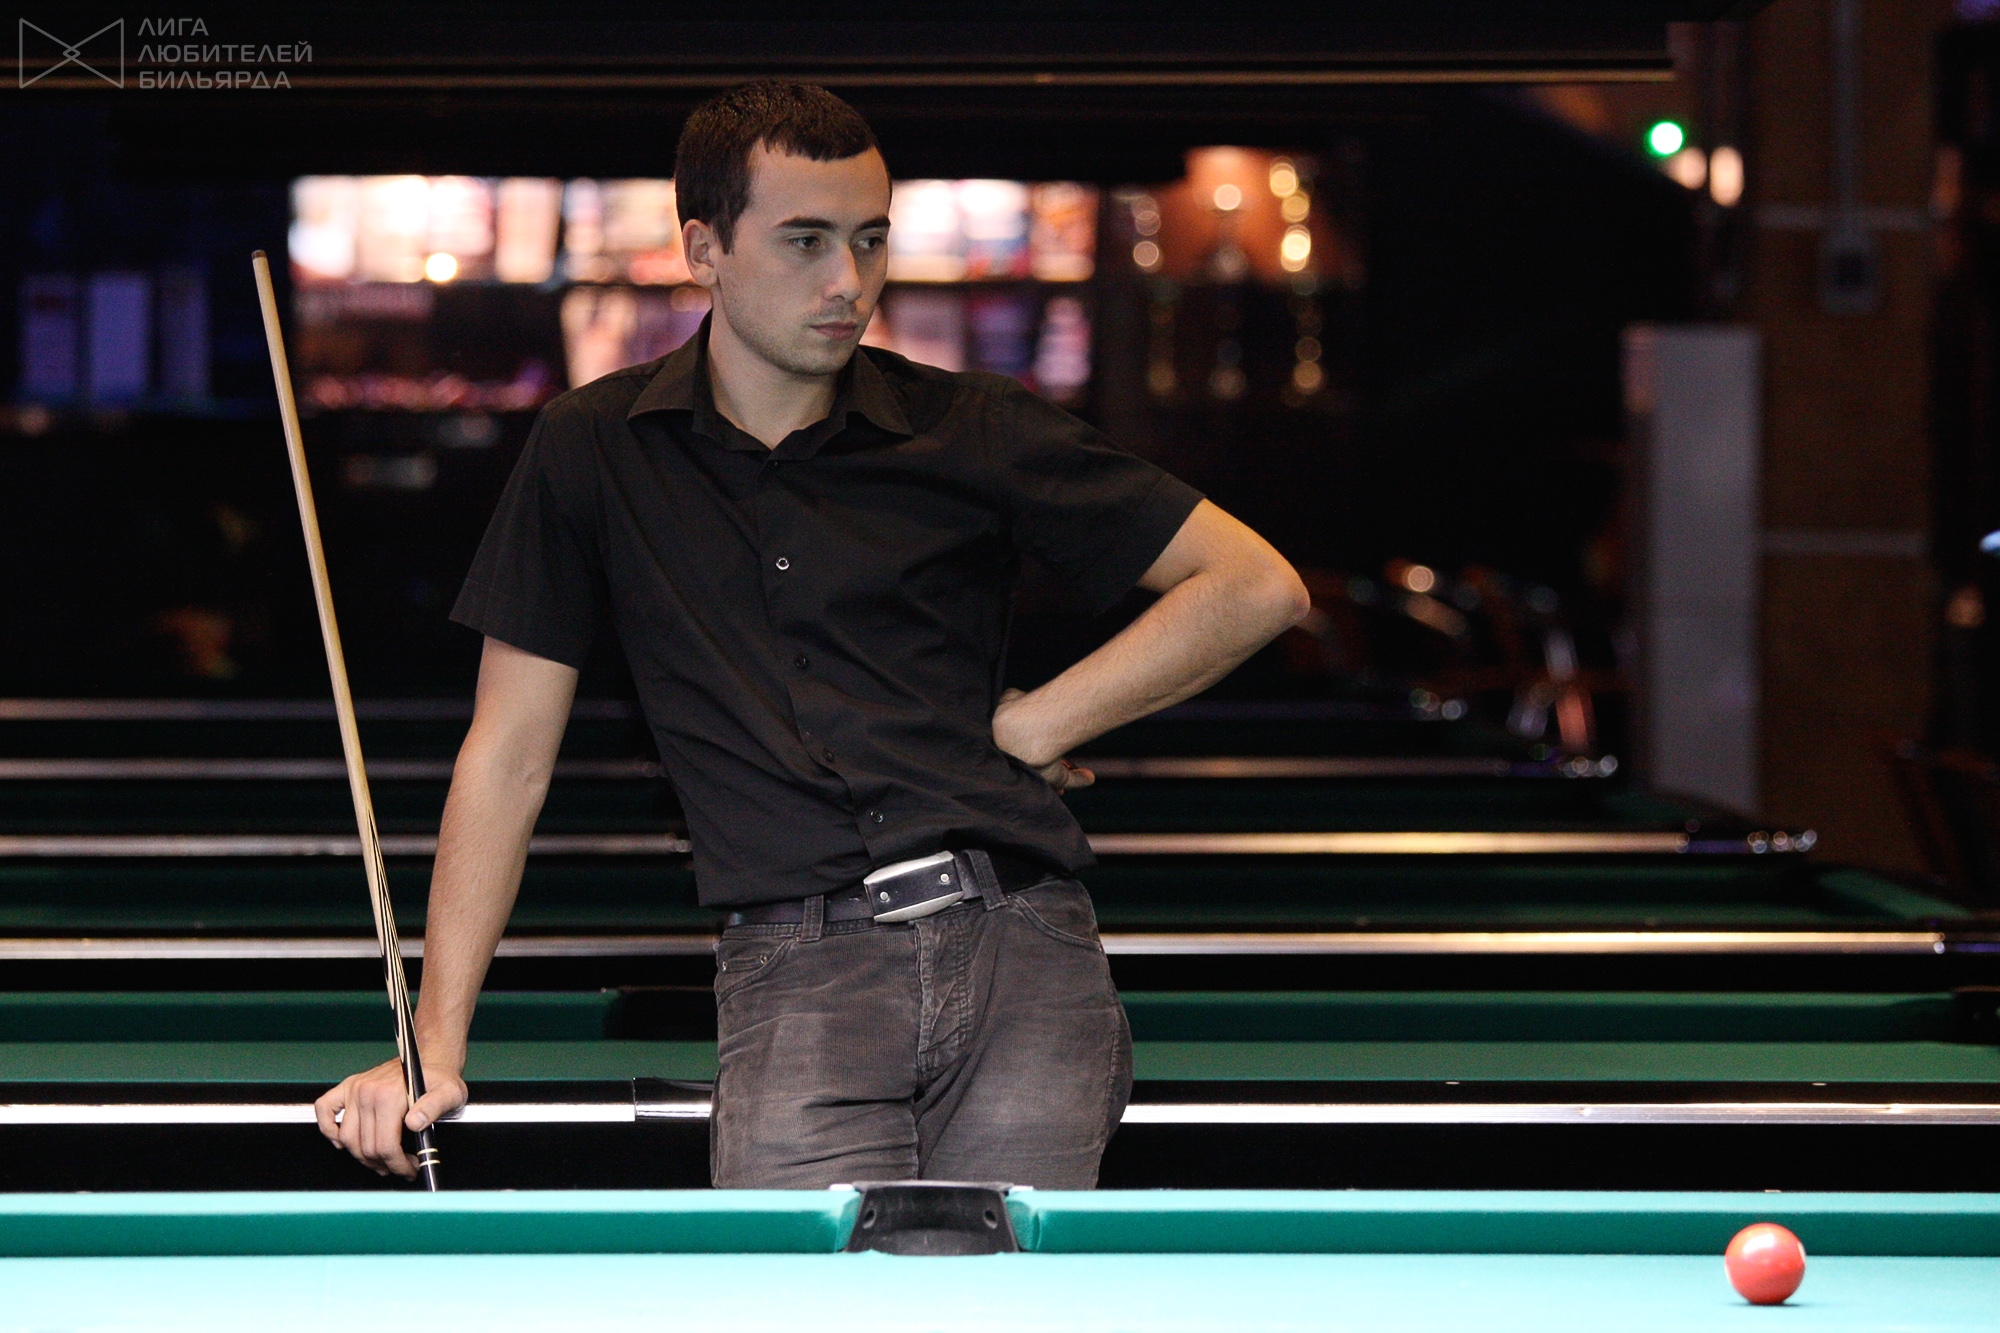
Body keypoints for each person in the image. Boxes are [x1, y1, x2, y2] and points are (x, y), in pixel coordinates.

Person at [316, 80, 1308, 1188]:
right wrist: (434, 1043)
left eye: (869, 238)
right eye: (805, 241)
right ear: (704, 246)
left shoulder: (972, 426)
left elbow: (1253, 585)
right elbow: (508, 754)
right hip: (800, 968)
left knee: (1003, 1287)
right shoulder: (593, 449)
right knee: (800, 1282)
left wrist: (1037, 725)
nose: (849, 281)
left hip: (1022, 948)